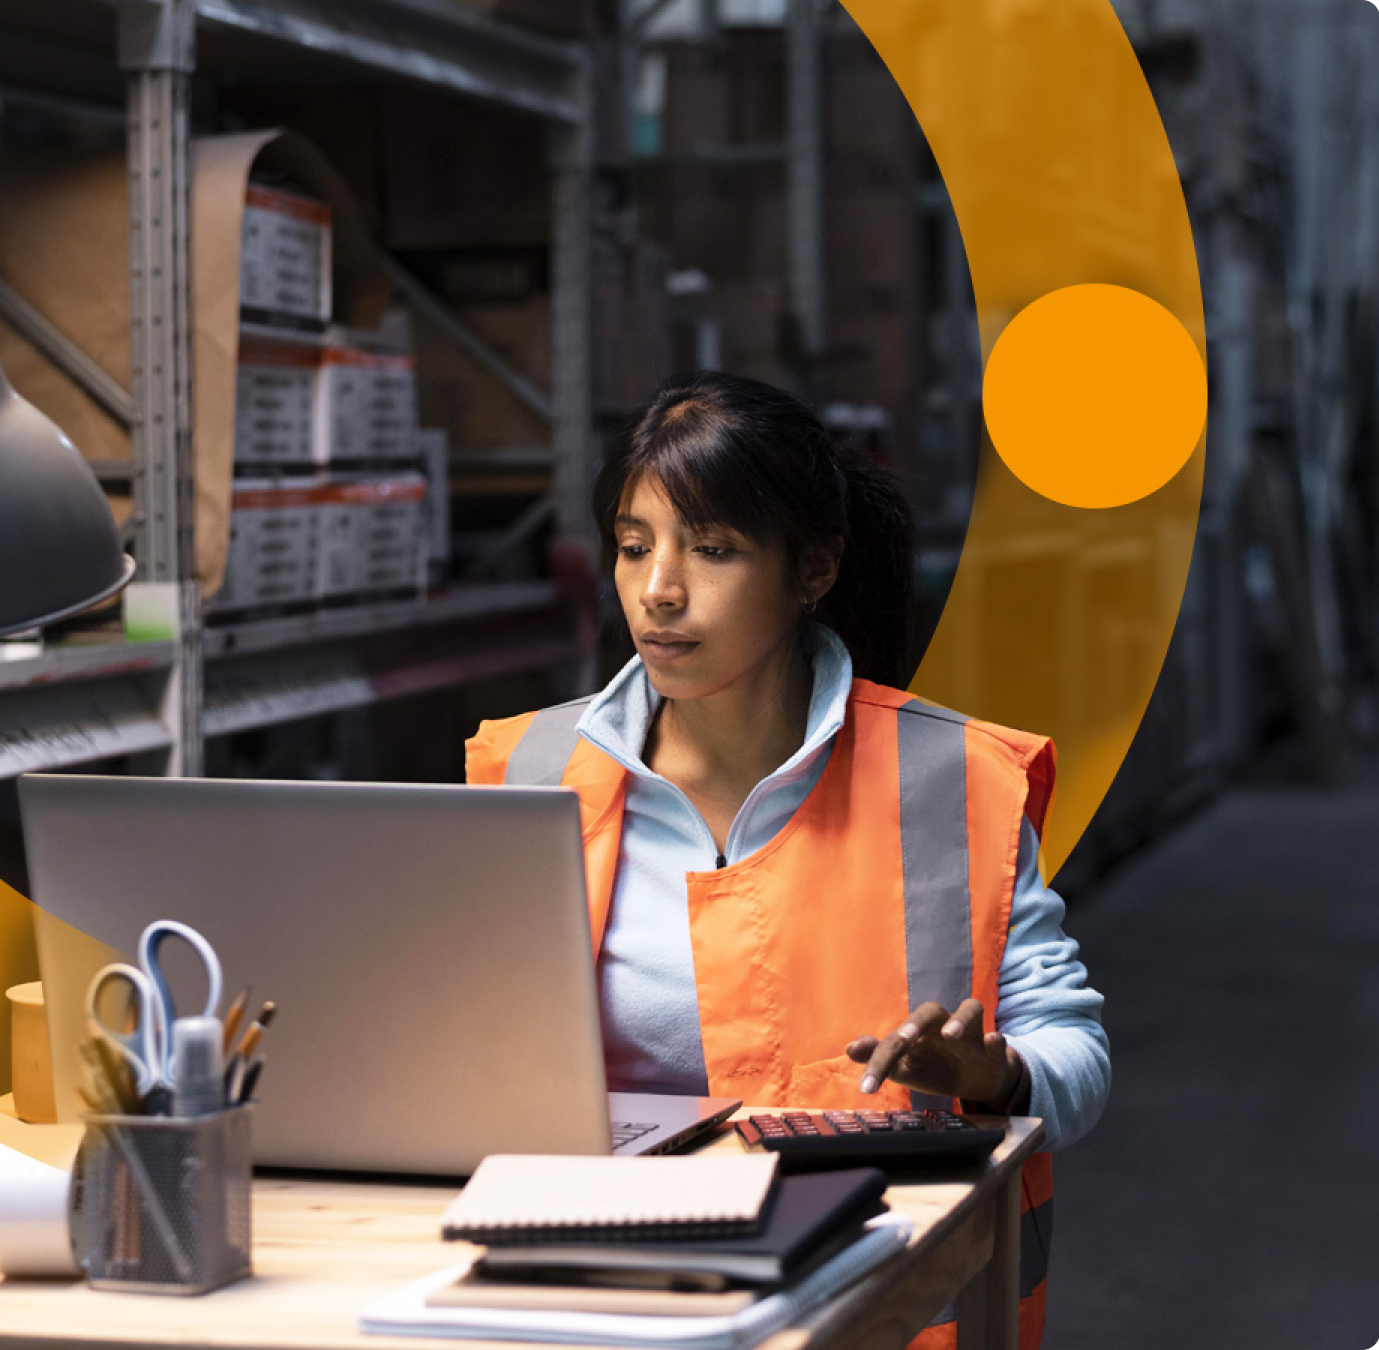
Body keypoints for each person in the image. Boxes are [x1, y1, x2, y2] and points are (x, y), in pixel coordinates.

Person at [464, 371, 1109, 1350]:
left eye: (709, 549)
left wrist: (997, 1071)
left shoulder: (953, 779)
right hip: (597, 1298)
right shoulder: (529, 772)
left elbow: (1077, 1056)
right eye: (632, 547)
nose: (657, 588)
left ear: (810, 569)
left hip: (882, 1310)